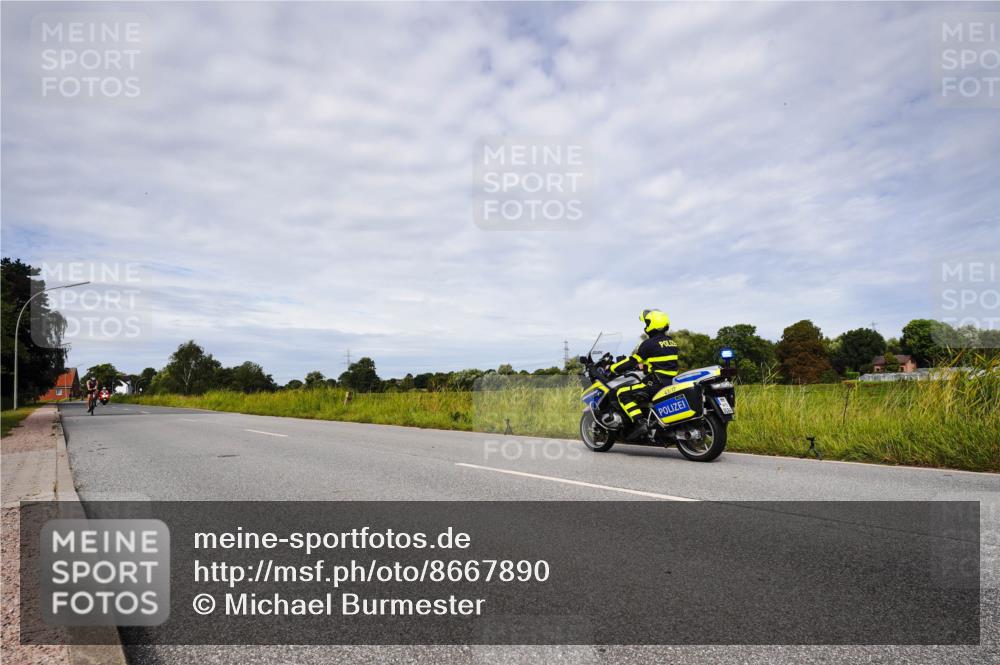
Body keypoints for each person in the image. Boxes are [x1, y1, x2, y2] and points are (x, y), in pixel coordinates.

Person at [604, 309, 680, 427]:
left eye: (648, 323)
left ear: (653, 324)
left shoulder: (649, 343)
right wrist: (644, 367)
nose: (646, 326)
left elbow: (632, 361)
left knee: (622, 393)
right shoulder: (671, 343)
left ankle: (640, 422)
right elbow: (662, 363)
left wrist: (612, 368)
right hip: (671, 382)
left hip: (656, 383)